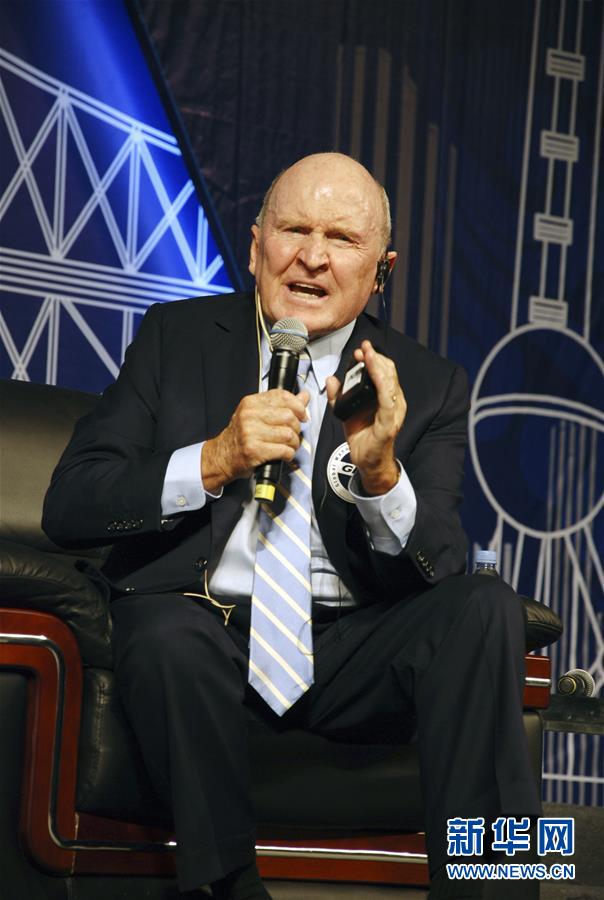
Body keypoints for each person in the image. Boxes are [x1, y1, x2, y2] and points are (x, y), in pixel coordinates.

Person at [43, 152, 541, 900]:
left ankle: (496, 885)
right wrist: (214, 458)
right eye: (293, 230)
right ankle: (232, 889)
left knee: (484, 607)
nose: (311, 256)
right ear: (256, 247)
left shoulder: (427, 383)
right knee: (169, 635)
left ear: (381, 271)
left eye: (341, 238)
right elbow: (70, 503)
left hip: (348, 648)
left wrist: (382, 478)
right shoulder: (177, 337)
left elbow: (440, 562)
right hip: (201, 628)